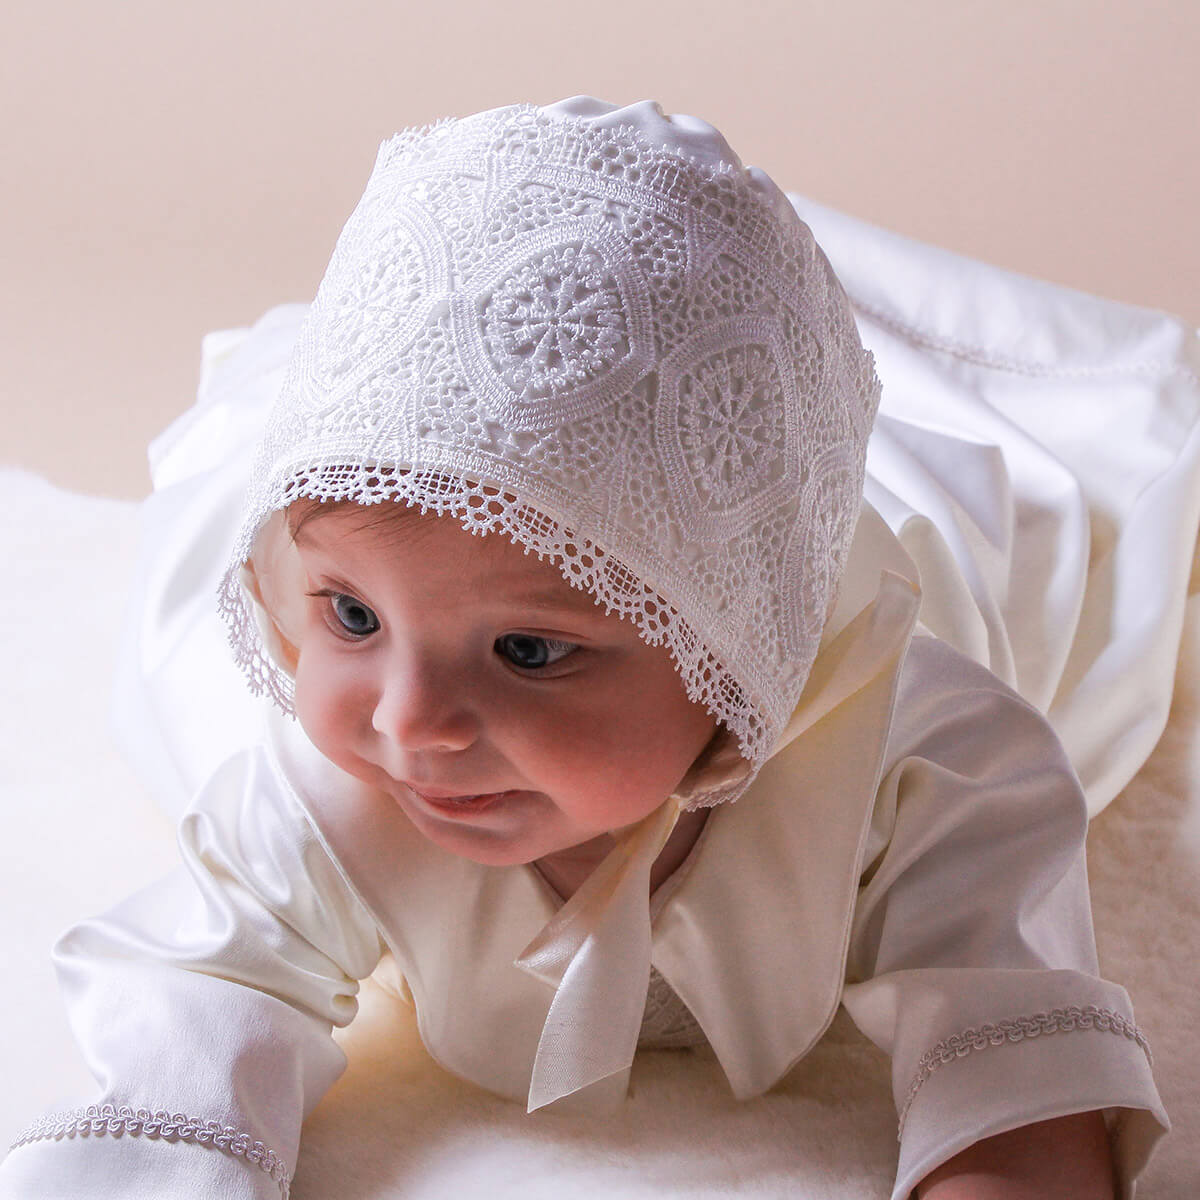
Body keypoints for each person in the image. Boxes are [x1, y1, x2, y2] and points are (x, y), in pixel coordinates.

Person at [0, 97, 1179, 1200]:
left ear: (732, 659)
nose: (408, 725)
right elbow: (201, 984)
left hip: (800, 528)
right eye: (351, 618)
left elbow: (1010, 1033)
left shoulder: (923, 755)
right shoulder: (328, 779)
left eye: (526, 649)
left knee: (1009, 525)